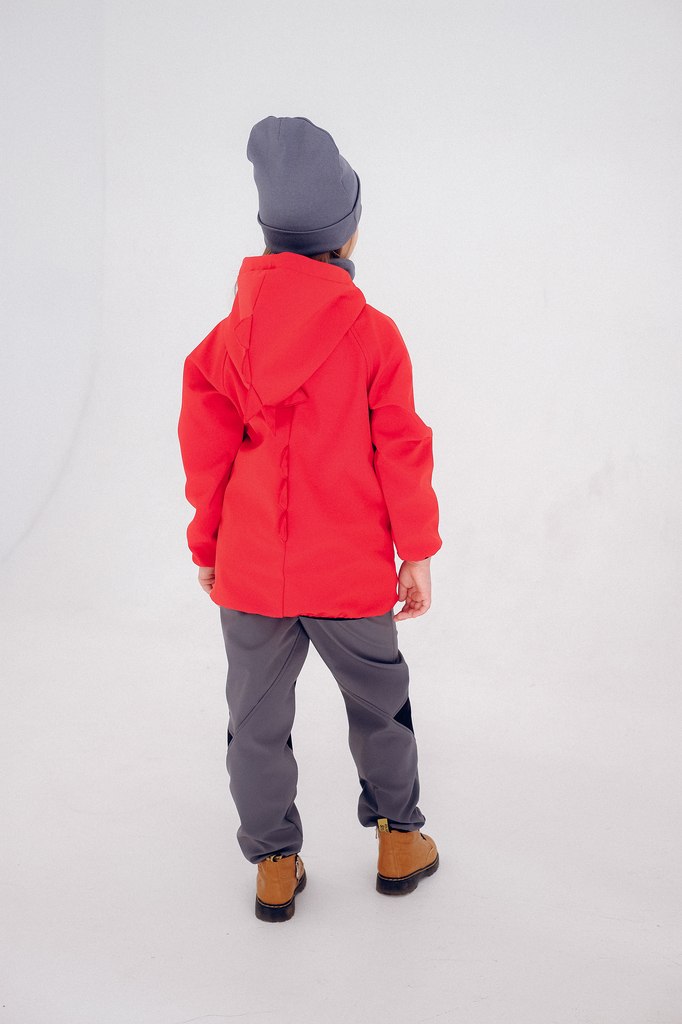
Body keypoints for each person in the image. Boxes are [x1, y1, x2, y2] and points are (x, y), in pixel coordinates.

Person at [178, 116, 442, 923]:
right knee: (380, 703)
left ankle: (273, 865)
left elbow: (206, 455)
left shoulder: (226, 341)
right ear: (346, 234)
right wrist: (416, 550)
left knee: (255, 722)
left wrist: (208, 545)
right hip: (350, 571)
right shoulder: (373, 336)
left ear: (271, 234)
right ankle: (400, 840)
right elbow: (401, 448)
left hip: (252, 570)